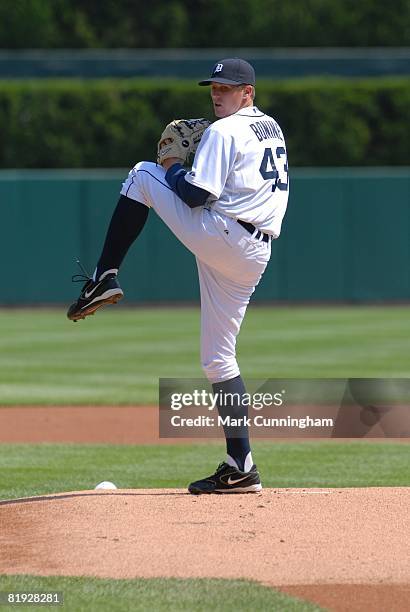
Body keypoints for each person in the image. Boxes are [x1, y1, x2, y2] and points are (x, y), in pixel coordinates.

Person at [67, 58, 289, 494]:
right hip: (254, 252)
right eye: (214, 87)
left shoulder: (224, 131)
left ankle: (103, 276)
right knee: (218, 359)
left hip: (224, 234)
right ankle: (240, 465)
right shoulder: (272, 127)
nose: (217, 93)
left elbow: (193, 196)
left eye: (227, 87)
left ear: (248, 93)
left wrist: (170, 162)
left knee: (142, 175)